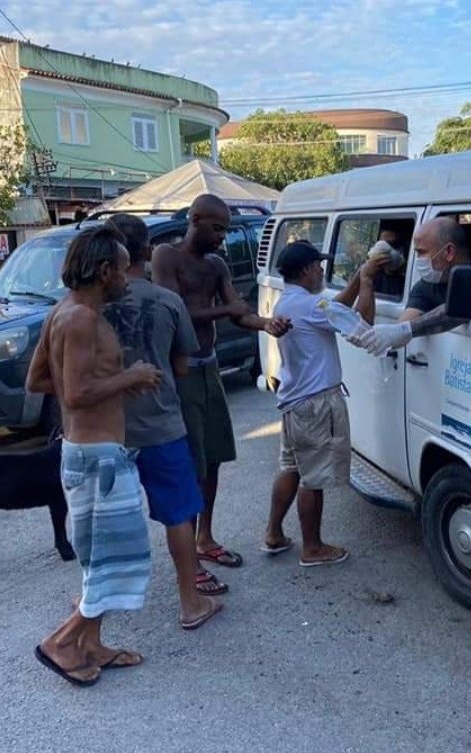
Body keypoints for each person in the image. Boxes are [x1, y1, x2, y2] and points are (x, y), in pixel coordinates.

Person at [26, 225, 162, 688]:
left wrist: (89, 391)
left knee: (100, 560)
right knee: (119, 559)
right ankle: (62, 642)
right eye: (123, 268)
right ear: (105, 271)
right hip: (98, 459)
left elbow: (40, 380)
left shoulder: (61, 312)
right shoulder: (81, 318)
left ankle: (93, 644)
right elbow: (77, 392)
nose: (128, 276)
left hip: (87, 453)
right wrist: (130, 377)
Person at [152, 194, 291, 572]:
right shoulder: (166, 256)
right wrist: (227, 310)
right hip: (182, 373)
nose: (222, 238)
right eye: (217, 229)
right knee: (192, 464)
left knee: (213, 458)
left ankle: (205, 538)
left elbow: (238, 312)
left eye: (226, 231)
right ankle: (190, 562)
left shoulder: (216, 265)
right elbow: (174, 309)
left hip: (210, 368)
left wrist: (265, 324)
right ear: (195, 219)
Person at [103, 214, 224, 630]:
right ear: (146, 250)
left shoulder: (86, 304)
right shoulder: (166, 301)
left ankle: (92, 600)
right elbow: (182, 365)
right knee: (178, 515)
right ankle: (191, 602)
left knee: (102, 517)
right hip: (161, 425)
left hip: (106, 430)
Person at [262, 241, 383, 566]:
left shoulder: (291, 302)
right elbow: (364, 325)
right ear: (305, 270)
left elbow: (336, 310)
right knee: (313, 478)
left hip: (294, 401)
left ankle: (273, 534)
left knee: (292, 467)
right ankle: (312, 548)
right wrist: (368, 281)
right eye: (318, 265)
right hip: (316, 405)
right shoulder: (312, 307)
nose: (321, 270)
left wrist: (358, 275)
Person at [351, 216, 471, 355]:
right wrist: (373, 337)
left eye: (421, 252)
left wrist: (406, 330)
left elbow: (460, 310)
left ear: (449, 252)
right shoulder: (428, 284)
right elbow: (402, 327)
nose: (418, 259)